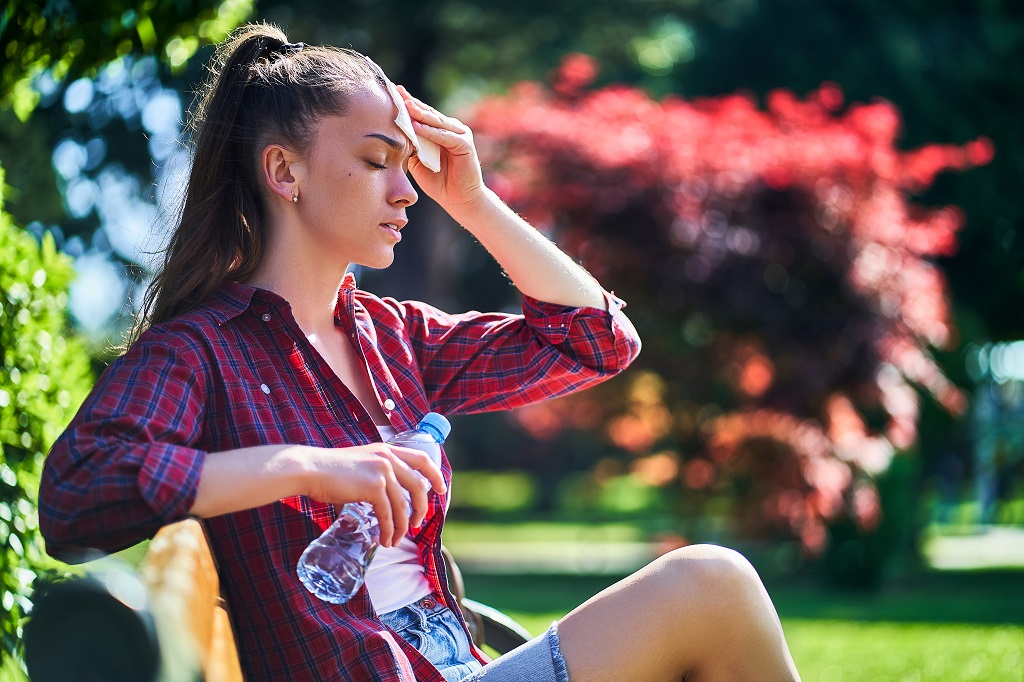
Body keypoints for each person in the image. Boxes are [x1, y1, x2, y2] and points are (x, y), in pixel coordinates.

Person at [39, 23, 801, 682]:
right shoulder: (199, 354)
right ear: (284, 172)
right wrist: (306, 465)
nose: (407, 191)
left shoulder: (392, 336)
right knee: (713, 583)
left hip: (461, 664)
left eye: (408, 167)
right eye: (377, 162)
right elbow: (76, 496)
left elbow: (595, 341)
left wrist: (472, 199)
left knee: (716, 589)